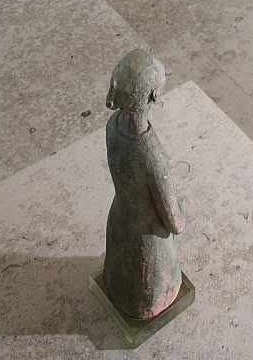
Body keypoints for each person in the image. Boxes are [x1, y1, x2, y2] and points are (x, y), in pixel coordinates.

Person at [100, 48, 184, 320]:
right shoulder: (152, 156)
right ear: (153, 96)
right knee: (148, 295)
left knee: (117, 281)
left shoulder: (112, 127)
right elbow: (174, 222)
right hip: (148, 249)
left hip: (120, 224)